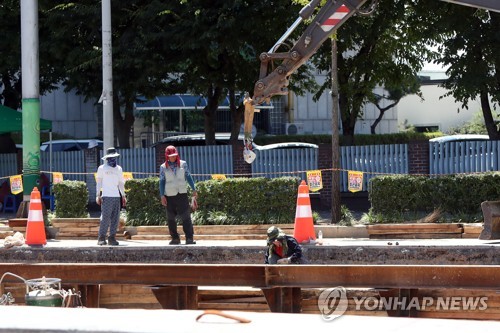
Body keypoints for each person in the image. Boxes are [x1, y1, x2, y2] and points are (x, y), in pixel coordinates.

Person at [159, 145, 197, 245]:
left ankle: (189, 238)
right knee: (170, 218)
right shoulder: (163, 167)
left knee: (186, 216)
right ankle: (175, 238)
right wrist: (162, 195)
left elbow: (188, 176)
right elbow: (162, 182)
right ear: (167, 156)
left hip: (182, 193)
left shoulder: (183, 164)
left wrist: (194, 189)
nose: (173, 157)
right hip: (169, 195)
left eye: (174, 155)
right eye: (171, 156)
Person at [96, 147, 126, 246]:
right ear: (107, 158)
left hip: (116, 196)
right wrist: (98, 195)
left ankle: (112, 237)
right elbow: (99, 182)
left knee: (115, 218)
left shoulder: (119, 168)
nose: (113, 159)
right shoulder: (102, 168)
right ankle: (101, 237)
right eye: (111, 157)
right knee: (105, 218)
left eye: (114, 157)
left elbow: (121, 183)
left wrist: (123, 195)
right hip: (106, 196)